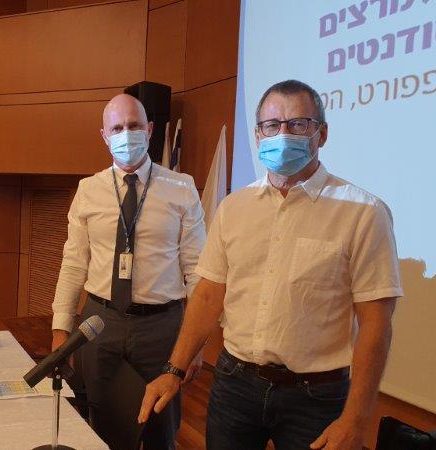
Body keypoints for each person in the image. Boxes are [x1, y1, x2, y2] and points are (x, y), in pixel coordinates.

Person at [138, 80, 403, 450]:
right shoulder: (234, 207)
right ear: (258, 134)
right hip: (235, 383)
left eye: (298, 124)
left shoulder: (363, 213)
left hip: (316, 397)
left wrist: (356, 420)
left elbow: (376, 324)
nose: (283, 134)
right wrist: (174, 368)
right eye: (272, 125)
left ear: (322, 133)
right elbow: (209, 294)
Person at [51, 94, 206, 448]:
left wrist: (196, 342)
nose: (126, 134)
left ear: (149, 130)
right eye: (117, 127)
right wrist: (61, 332)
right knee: (101, 430)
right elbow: (73, 263)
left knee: (160, 431)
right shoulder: (88, 190)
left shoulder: (182, 189)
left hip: (161, 328)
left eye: (134, 125)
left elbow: (198, 271)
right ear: (104, 136)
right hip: (99, 324)